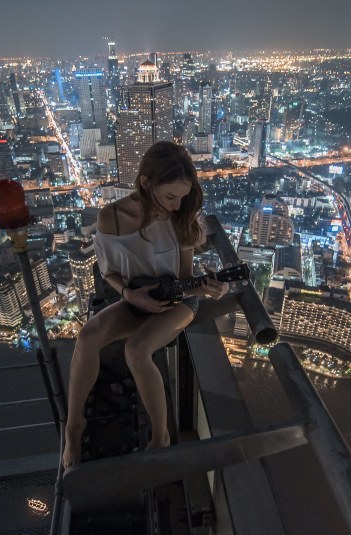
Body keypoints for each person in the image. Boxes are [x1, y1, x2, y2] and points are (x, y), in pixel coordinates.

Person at [62, 141, 229, 468]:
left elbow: (183, 279)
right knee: (87, 338)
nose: (178, 204)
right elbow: (107, 270)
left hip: (177, 302)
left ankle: (160, 437)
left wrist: (206, 289)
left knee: (137, 350)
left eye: (183, 196)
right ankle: (73, 426)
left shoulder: (180, 219)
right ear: (145, 183)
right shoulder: (110, 218)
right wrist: (128, 294)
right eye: (171, 196)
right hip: (137, 298)